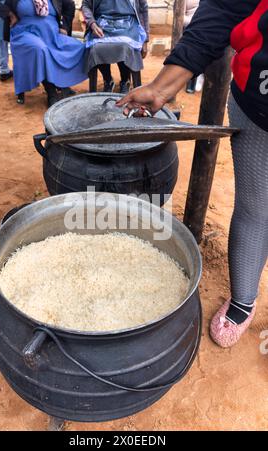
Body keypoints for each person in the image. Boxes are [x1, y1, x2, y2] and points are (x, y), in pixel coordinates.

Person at [117, 0, 268, 348]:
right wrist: (161, 87)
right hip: (260, 103)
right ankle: (244, 298)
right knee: (256, 206)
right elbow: (224, 8)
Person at [0, 0, 87, 106]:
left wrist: (64, 26)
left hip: (51, 34)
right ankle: (51, 92)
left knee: (79, 47)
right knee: (40, 49)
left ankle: (62, 83)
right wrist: (8, 13)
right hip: (24, 31)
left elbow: (69, 4)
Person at [81, 0, 149, 94]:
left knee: (124, 47)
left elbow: (143, 8)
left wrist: (145, 40)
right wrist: (92, 23)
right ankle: (108, 80)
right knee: (96, 48)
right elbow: (85, 5)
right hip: (102, 23)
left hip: (128, 22)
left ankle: (125, 81)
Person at [183, 0, 204, 94]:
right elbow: (181, 17)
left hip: (206, 28)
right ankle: (190, 84)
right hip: (190, 29)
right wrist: (195, 21)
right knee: (191, 57)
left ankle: (201, 78)